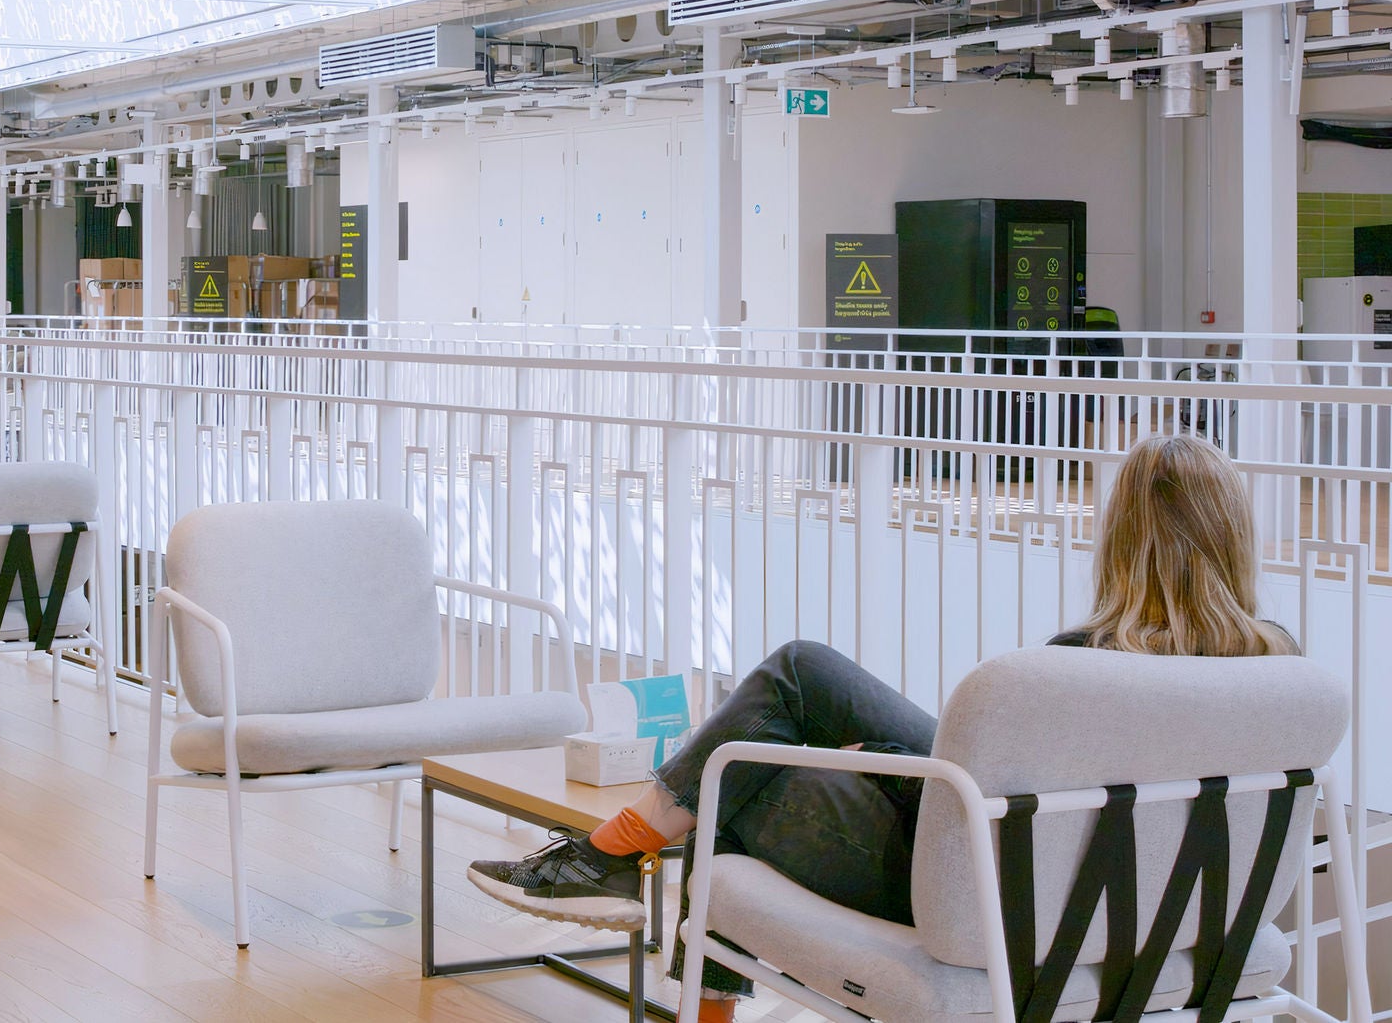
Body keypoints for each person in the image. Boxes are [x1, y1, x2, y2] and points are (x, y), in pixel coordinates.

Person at [467, 433, 1296, 1023]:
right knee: (804, 676)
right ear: (1233, 538)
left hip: (995, 903)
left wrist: (886, 765)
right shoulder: (1279, 677)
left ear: (1120, 542)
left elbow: (999, 832)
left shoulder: (1070, 673)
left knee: (750, 770)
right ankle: (609, 855)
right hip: (1158, 906)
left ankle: (607, 855)